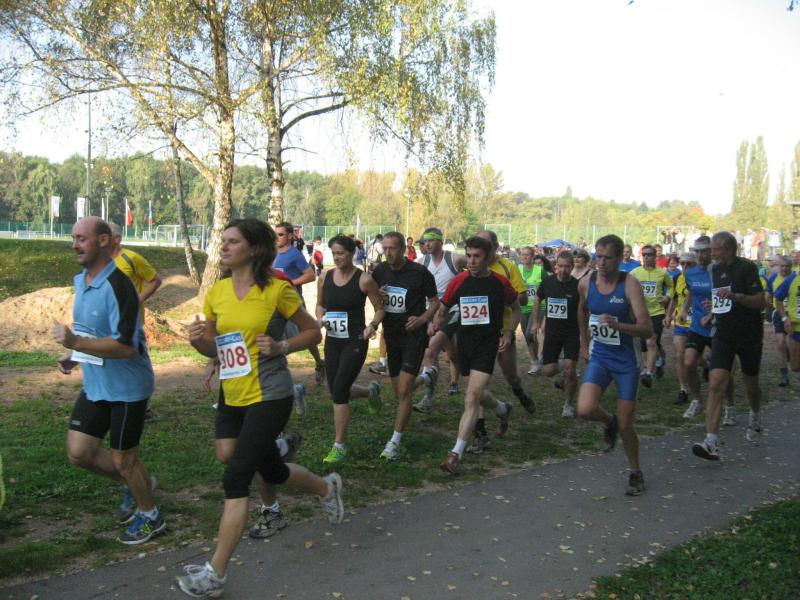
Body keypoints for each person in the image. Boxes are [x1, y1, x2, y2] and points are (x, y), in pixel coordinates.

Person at [178, 219, 343, 598]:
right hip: (233, 391)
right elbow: (216, 347)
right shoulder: (217, 292)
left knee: (236, 477)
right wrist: (199, 342)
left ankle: (215, 574)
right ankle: (326, 487)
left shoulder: (277, 290)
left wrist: (282, 346)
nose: (223, 247)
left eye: (232, 241)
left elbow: (313, 331)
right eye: (223, 241)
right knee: (259, 466)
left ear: (253, 249)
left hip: (270, 394)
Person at [52, 217, 163, 544]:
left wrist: (76, 343)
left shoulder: (119, 285)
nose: (75, 244)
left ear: (103, 241)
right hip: (97, 385)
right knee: (79, 452)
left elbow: (126, 347)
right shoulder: (81, 281)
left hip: (128, 389)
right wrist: (76, 354)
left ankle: (151, 516)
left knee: (124, 459)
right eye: (74, 238)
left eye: (81, 238)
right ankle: (140, 483)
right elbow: (92, 331)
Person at [577, 234, 652, 496]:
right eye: (598, 256)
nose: (601, 262)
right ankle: (609, 422)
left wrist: (618, 325)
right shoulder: (586, 282)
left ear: (620, 258)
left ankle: (635, 472)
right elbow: (581, 310)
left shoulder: (630, 285)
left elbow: (646, 329)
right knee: (585, 408)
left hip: (626, 362)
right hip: (600, 356)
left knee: (626, 424)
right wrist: (584, 343)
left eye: (608, 258)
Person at [437, 236, 518, 474]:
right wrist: (445, 341)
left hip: (487, 345)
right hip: (464, 344)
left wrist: (509, 333)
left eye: (477, 257)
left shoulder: (500, 282)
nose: (471, 261)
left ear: (488, 257)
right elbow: (442, 312)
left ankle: (455, 455)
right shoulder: (459, 281)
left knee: (471, 398)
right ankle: (502, 408)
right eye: (469, 256)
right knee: (478, 394)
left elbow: (515, 308)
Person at [692, 231, 766, 461]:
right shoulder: (714, 270)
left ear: (729, 249)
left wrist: (737, 297)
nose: (712, 254)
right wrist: (712, 310)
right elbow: (720, 298)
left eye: (715, 249)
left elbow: (761, 301)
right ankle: (711, 441)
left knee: (751, 384)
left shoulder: (747, 268)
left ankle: (755, 414)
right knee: (715, 383)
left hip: (749, 334)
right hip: (723, 333)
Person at [315, 234, 385, 465]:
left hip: (355, 340)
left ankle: (339, 446)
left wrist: (372, 326)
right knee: (335, 388)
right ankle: (370, 392)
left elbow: (380, 308)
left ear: (352, 253)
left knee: (339, 391)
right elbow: (320, 304)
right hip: (333, 340)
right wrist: (319, 318)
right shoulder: (324, 277)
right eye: (333, 253)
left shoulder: (364, 280)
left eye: (341, 254)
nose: (336, 258)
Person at [371, 231, 439, 460]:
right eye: (385, 248)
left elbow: (434, 302)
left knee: (403, 391)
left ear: (403, 249)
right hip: (391, 335)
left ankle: (395, 441)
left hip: (413, 336)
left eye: (392, 248)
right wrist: (378, 294)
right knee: (399, 390)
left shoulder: (419, 272)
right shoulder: (380, 271)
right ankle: (427, 377)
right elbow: (374, 299)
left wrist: (422, 320)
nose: (388, 253)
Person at [109, 222, 162, 420]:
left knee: (136, 361)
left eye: (105, 235)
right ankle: (114, 401)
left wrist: (137, 299)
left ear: (117, 239)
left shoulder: (131, 258)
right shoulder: (101, 261)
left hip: (132, 322)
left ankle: (144, 407)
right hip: (109, 321)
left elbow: (155, 280)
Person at [413, 227, 468, 413]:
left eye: (431, 240)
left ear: (440, 241)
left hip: (452, 311)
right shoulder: (422, 262)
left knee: (434, 351)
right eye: (424, 241)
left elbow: (478, 264)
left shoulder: (455, 259)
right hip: (431, 311)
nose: (426, 244)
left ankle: (452, 382)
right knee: (445, 353)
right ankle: (429, 396)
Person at [274, 222, 325, 386]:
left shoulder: (294, 254)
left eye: (280, 234)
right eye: (275, 234)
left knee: (306, 333)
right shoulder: (271, 253)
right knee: (275, 333)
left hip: (293, 301)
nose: (276, 237)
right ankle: (278, 372)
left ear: (290, 236)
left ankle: (319, 362)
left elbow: (310, 275)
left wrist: (290, 283)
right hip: (274, 303)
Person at [533, 252, 580, 417]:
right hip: (552, 332)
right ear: (555, 266)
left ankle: (568, 405)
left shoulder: (577, 285)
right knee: (548, 371)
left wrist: (584, 331)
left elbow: (583, 309)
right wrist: (536, 322)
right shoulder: (548, 282)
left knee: (570, 371)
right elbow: (537, 299)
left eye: (567, 266)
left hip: (571, 332)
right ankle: (567, 369)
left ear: (572, 267)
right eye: (560, 266)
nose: (563, 270)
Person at [630, 244, 674, 386]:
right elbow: (627, 288)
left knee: (651, 341)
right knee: (643, 345)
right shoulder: (635, 273)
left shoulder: (662, 273)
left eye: (650, 254)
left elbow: (671, 287)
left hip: (657, 313)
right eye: (644, 255)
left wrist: (667, 297)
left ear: (655, 257)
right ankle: (659, 359)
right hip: (640, 313)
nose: (647, 257)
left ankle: (648, 373)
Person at [665, 253, 695, 406]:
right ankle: (683, 389)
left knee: (694, 359)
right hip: (681, 322)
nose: (685, 267)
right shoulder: (677, 277)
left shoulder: (702, 278)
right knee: (679, 354)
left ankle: (705, 364)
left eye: (689, 264)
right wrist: (668, 315)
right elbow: (675, 298)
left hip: (697, 323)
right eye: (682, 264)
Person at [517, 246, 547, 375]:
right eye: (522, 254)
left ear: (533, 256)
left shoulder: (540, 270)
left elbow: (548, 286)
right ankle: (535, 361)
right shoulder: (517, 269)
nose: (524, 257)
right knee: (527, 336)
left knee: (530, 333)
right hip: (523, 307)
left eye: (527, 254)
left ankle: (539, 357)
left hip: (539, 307)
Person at [766, 256, 792, 387]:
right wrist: (766, 302)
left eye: (787, 266)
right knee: (781, 343)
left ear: (791, 267)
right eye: (782, 266)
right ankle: (784, 375)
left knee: (794, 345)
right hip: (778, 314)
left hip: (793, 315)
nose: (784, 269)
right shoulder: (773, 278)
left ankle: (792, 354)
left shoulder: (795, 278)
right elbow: (769, 293)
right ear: (778, 266)